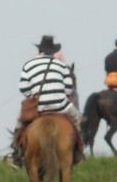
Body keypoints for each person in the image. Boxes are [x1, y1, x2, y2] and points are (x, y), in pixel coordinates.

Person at [5, 34, 81, 169]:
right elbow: (69, 89)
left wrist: (33, 96)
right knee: (77, 120)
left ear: (40, 50)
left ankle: (16, 154)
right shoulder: (61, 65)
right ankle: (78, 152)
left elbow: (23, 88)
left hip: (38, 107)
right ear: (53, 51)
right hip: (61, 106)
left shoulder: (28, 65)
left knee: (20, 122)